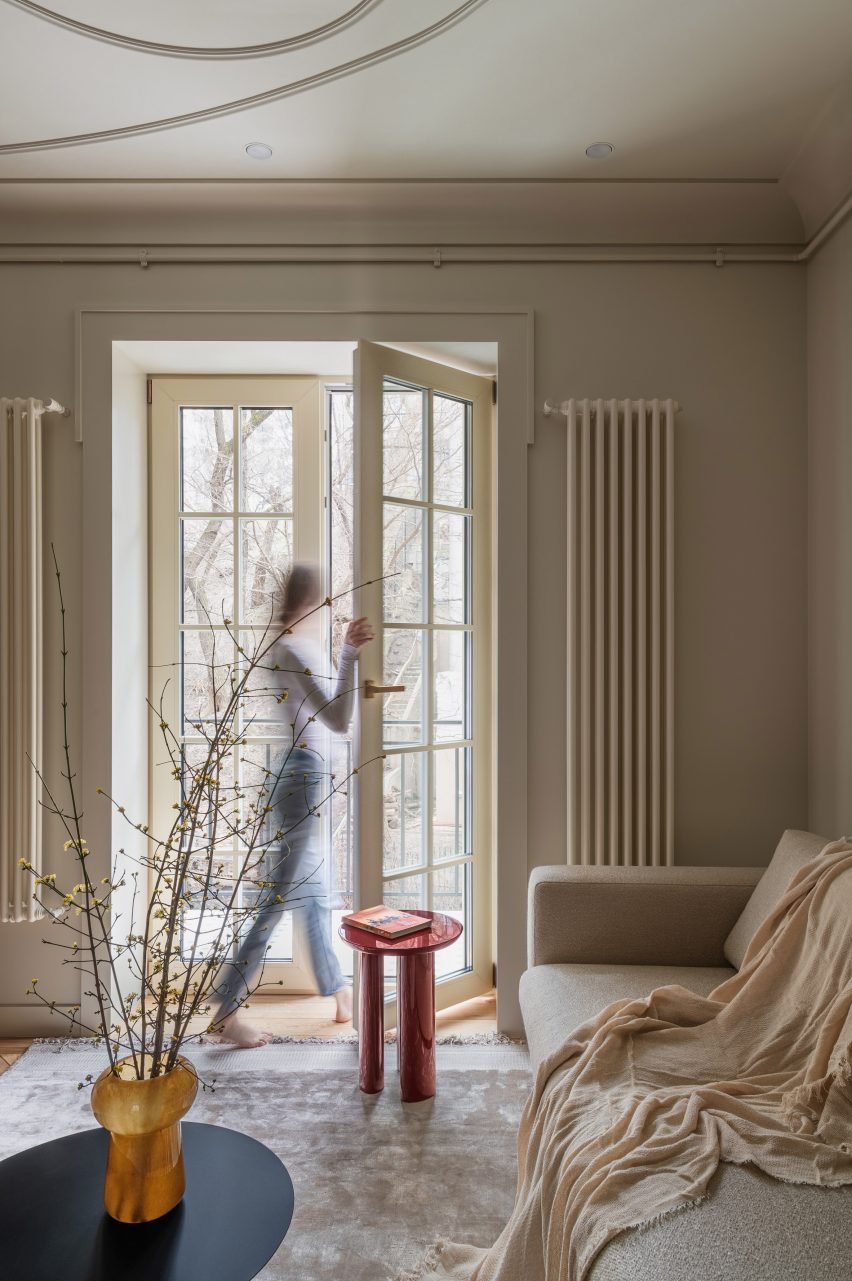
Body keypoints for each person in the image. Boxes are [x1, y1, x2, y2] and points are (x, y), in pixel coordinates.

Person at [210, 564, 373, 1048]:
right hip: (300, 780)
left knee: (316, 897)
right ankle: (226, 1011)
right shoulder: (290, 649)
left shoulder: (292, 647)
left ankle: (340, 993)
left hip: (305, 778)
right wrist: (349, 652)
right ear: (313, 602)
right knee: (274, 901)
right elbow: (339, 718)